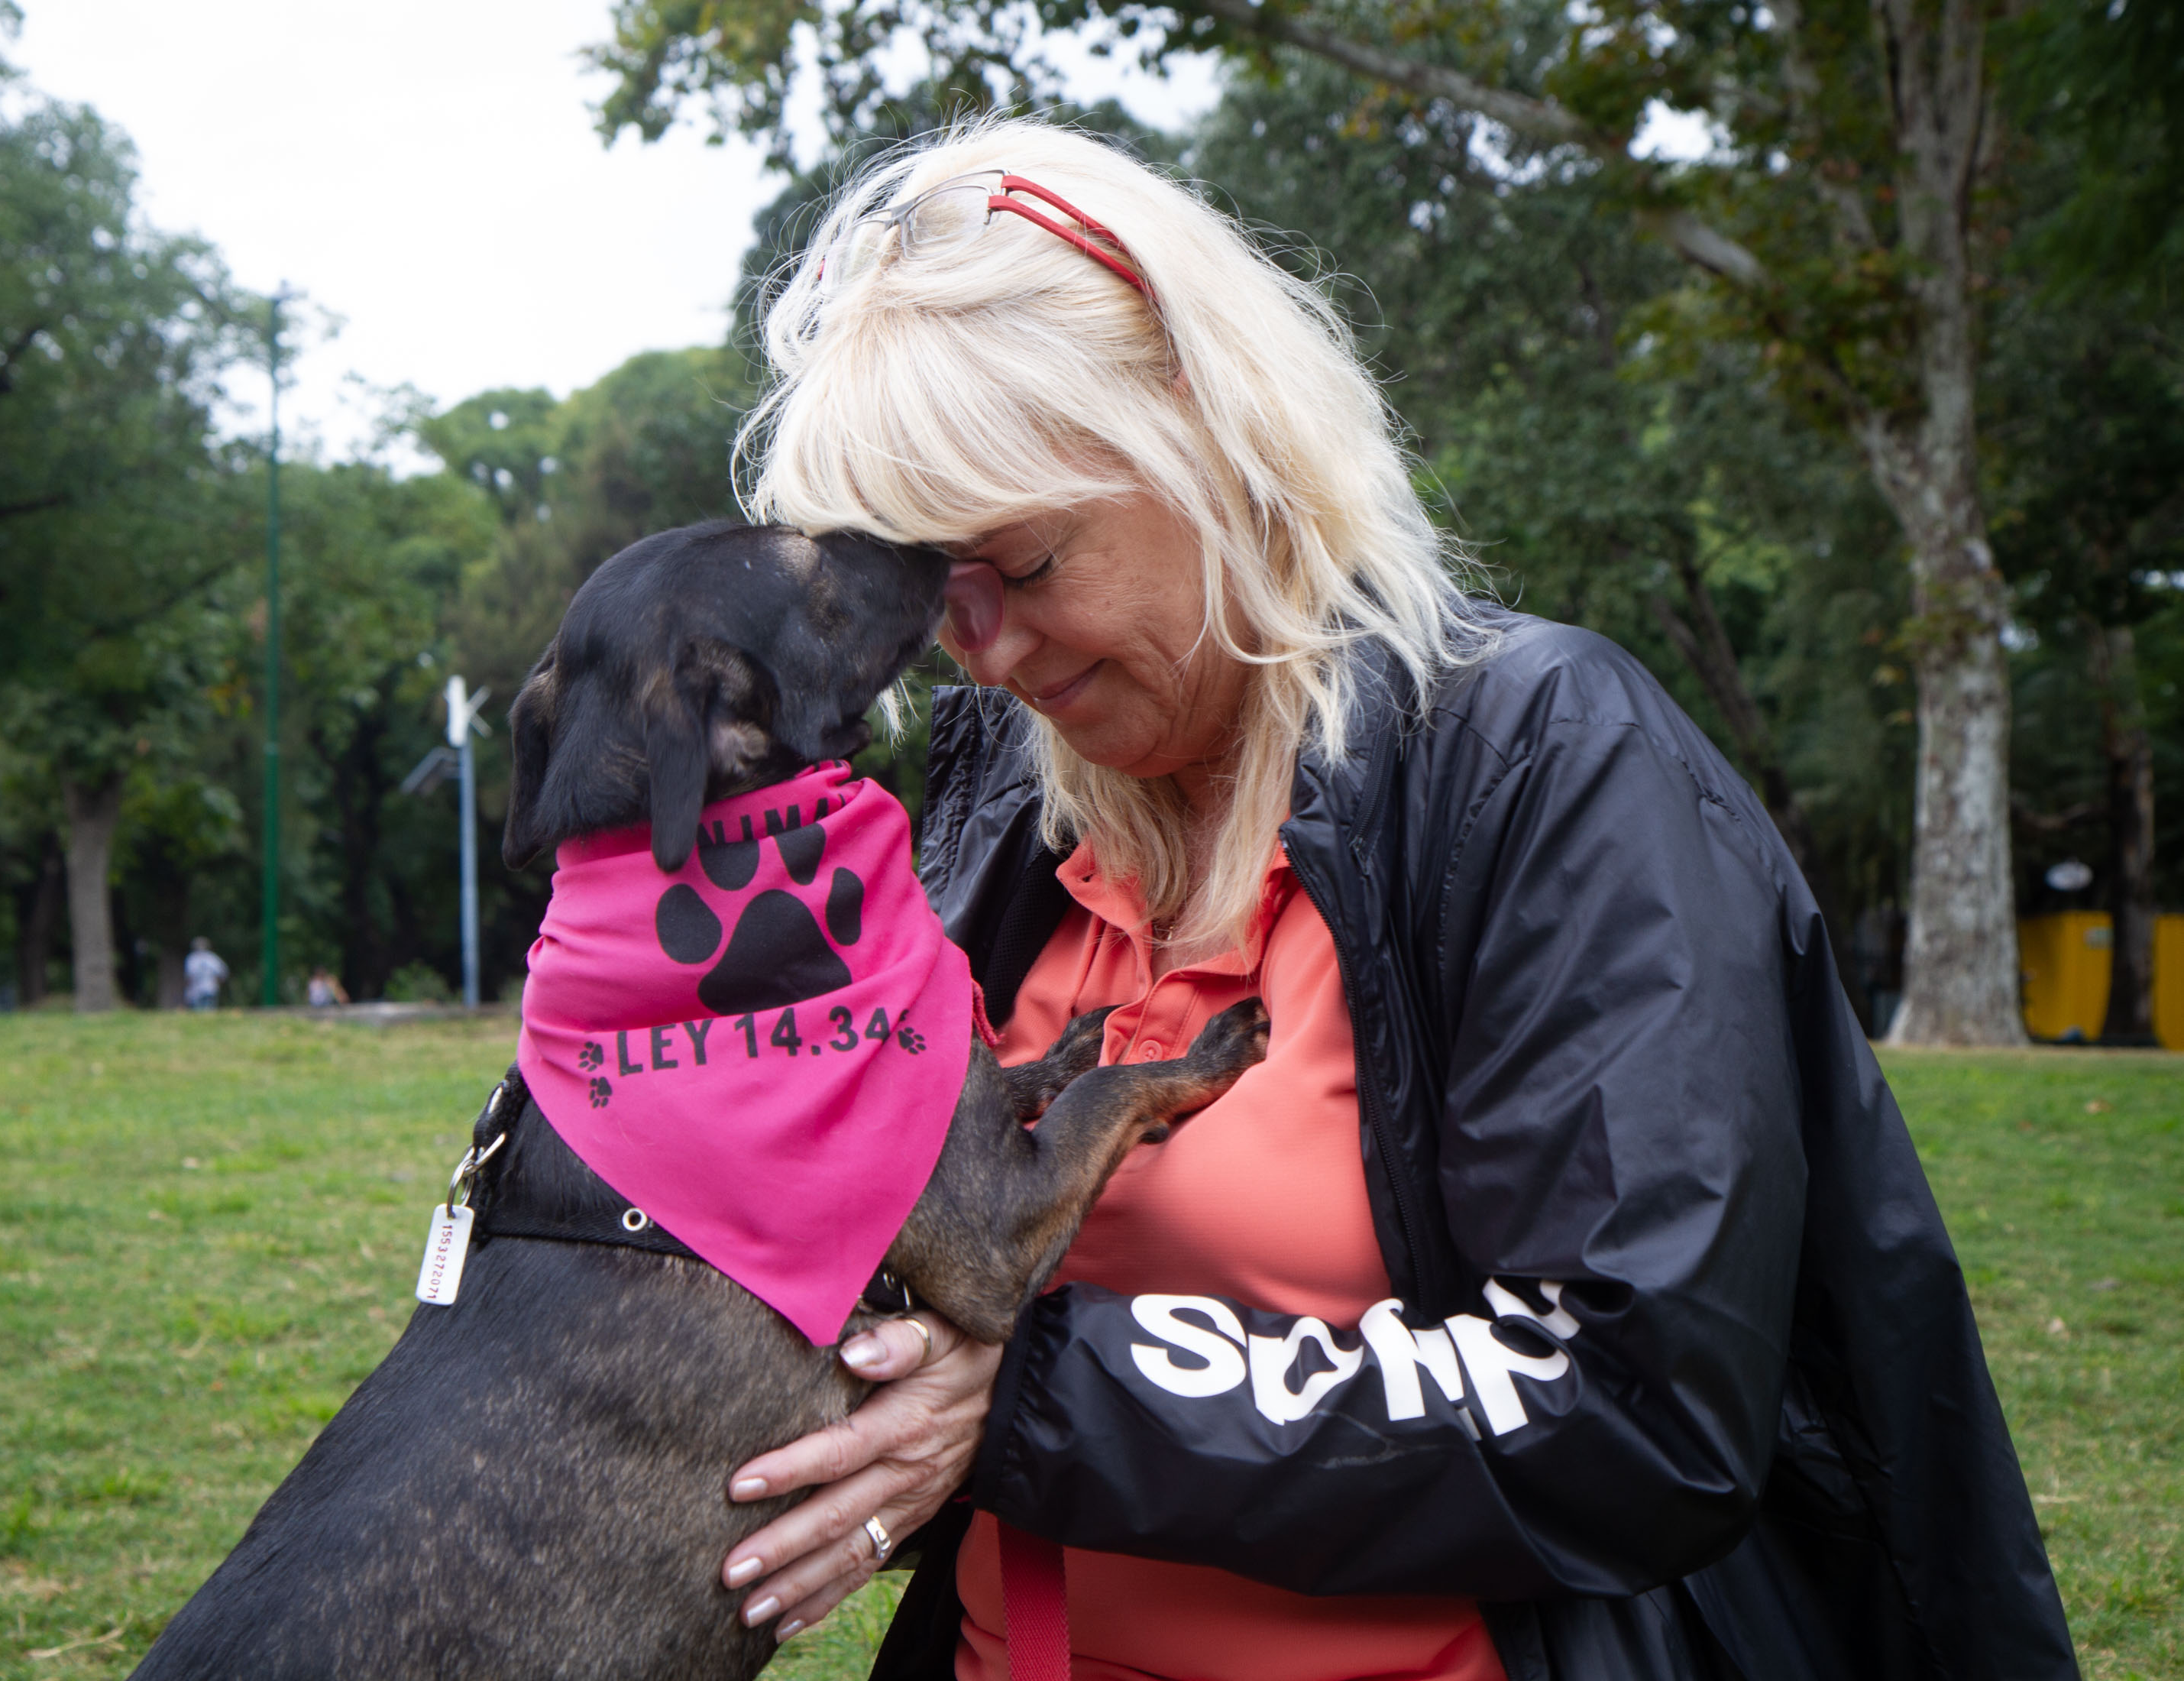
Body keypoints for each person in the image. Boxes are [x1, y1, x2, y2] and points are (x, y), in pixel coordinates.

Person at [710, 121, 2073, 1680]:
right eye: (928, 604)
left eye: (1022, 567)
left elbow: (1637, 1402)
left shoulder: (1545, 762)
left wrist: (1035, 1399)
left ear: (1200, 417)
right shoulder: (1000, 811)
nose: (990, 653)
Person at [183, 938, 228, 1012]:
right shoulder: (212, 958)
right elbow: (223, 972)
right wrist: (217, 983)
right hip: (210, 989)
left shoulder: (192, 959)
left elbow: (189, 976)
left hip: (197, 990)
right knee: (209, 1011)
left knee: (198, 1012)